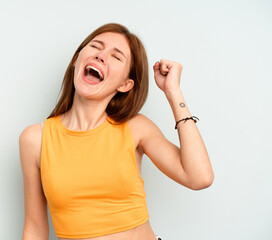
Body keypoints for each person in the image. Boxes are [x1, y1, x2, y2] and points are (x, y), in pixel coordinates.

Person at [19, 23, 214, 240]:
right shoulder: (36, 140)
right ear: (77, 60)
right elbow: (35, 229)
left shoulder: (136, 128)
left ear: (125, 84)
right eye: (96, 46)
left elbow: (200, 177)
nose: (101, 56)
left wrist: (173, 92)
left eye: (116, 56)